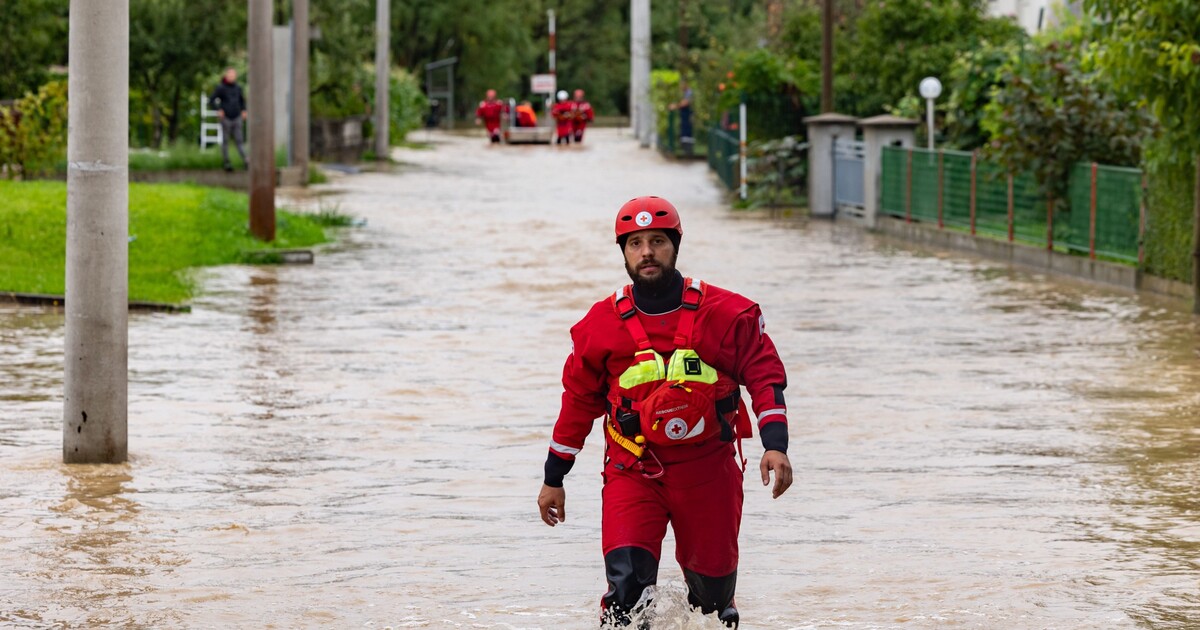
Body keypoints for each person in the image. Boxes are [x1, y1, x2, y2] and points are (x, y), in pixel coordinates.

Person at [537, 197, 793, 628]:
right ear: (623, 251)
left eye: (657, 241)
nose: (647, 252)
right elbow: (578, 404)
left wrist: (776, 446)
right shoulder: (599, 324)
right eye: (635, 243)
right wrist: (553, 477)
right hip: (632, 471)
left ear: (675, 246)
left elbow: (766, 377)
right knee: (626, 597)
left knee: (713, 606)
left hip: (709, 472)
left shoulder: (731, 315)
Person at [208, 67, 248, 172]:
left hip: (237, 117)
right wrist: (218, 110)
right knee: (225, 141)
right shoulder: (221, 88)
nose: (231, 76)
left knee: (239, 140)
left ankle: (246, 160)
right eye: (229, 74)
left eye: (233, 74)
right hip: (226, 118)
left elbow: (242, 101)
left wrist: (244, 110)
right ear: (226, 75)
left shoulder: (238, 88)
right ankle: (227, 162)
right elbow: (211, 100)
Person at [667, 81, 695, 156]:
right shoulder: (685, 93)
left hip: (688, 116)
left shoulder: (689, 93)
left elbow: (685, 103)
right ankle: (685, 148)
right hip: (685, 116)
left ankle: (688, 150)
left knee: (687, 132)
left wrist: (675, 106)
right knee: (684, 131)